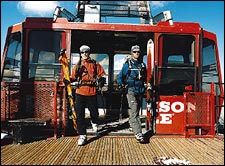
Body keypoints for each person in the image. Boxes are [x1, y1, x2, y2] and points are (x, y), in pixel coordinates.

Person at [71, 45, 106, 146]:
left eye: (86, 52)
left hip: (92, 91)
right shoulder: (77, 65)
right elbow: (73, 77)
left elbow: (102, 74)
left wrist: (102, 80)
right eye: (82, 52)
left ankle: (94, 122)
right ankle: (82, 135)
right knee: (79, 115)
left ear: (89, 53)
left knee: (94, 112)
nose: (84, 54)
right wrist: (68, 79)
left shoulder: (95, 64)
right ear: (80, 54)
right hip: (80, 92)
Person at [117, 45, 147, 143]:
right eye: (134, 52)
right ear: (131, 53)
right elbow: (120, 76)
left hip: (140, 90)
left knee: (136, 110)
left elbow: (145, 77)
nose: (136, 53)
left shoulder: (142, 65)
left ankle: (131, 125)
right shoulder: (127, 65)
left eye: (138, 52)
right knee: (134, 110)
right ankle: (138, 133)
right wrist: (120, 85)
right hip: (131, 90)